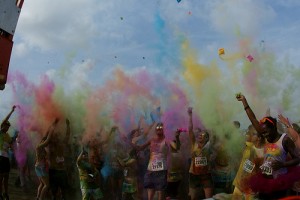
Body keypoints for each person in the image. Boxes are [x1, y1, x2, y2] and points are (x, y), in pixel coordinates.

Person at [236, 94, 300, 199]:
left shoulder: (285, 140)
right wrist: (244, 101)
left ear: (274, 127)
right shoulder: (266, 136)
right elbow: (253, 119)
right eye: (263, 132)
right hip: (265, 181)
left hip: (279, 183)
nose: (264, 134)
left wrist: (283, 164)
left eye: (266, 132)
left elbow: (297, 159)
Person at [232, 125, 265, 200]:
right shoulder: (248, 146)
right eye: (250, 133)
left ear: (259, 138)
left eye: (253, 134)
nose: (250, 135)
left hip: (251, 188)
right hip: (239, 184)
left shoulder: (265, 151)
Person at [137, 122, 169, 200]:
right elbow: (140, 148)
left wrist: (177, 138)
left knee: (160, 192)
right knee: (150, 195)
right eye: (157, 128)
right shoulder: (152, 140)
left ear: (164, 129)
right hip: (151, 169)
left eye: (161, 128)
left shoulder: (167, 139)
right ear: (155, 130)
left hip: (161, 170)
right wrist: (131, 143)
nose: (159, 129)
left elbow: (175, 148)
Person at [187, 107, 213, 199]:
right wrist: (190, 115)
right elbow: (190, 130)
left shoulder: (208, 146)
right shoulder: (194, 144)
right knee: (193, 197)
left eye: (203, 135)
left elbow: (212, 132)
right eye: (199, 135)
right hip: (193, 174)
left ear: (207, 138)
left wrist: (211, 117)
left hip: (206, 174)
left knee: (208, 198)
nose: (200, 136)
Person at [35, 119, 58, 200]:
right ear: (42, 141)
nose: (46, 142)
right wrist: (52, 128)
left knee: (41, 184)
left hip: (39, 166)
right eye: (44, 140)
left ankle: (38, 197)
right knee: (46, 185)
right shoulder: (39, 146)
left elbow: (46, 136)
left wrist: (53, 124)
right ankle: (41, 198)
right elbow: (47, 139)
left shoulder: (40, 147)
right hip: (41, 167)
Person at [48, 118, 70, 200]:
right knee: (54, 193)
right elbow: (49, 135)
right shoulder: (52, 147)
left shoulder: (62, 144)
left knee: (64, 192)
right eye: (57, 136)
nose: (58, 137)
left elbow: (67, 135)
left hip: (62, 171)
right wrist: (54, 124)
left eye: (59, 136)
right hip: (53, 171)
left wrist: (68, 126)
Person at [0, 105, 16, 200]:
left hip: (6, 159)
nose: (7, 128)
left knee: (6, 177)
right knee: (0, 177)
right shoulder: (0, 132)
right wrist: (12, 111)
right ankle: (0, 194)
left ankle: (6, 193)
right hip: (0, 157)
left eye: (8, 127)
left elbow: (11, 145)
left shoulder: (8, 136)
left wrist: (12, 147)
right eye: (6, 126)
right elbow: (5, 120)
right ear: (3, 125)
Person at [166, 129, 183, 200]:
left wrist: (177, 137)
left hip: (177, 176)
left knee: (175, 193)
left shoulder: (178, 152)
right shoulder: (168, 151)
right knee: (169, 194)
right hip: (169, 176)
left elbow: (178, 147)